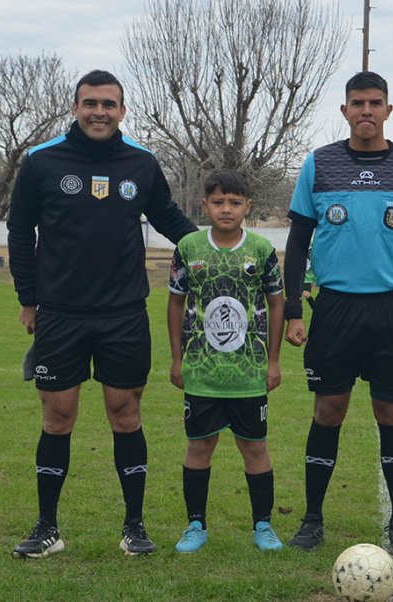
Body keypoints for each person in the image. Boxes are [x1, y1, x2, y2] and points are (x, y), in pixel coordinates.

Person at [7, 69, 197, 558]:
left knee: (125, 414)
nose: (99, 112)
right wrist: (29, 300)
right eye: (90, 103)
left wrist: (213, 245)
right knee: (57, 416)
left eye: (109, 104)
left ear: (122, 110)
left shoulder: (142, 163)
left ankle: (134, 527)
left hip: (124, 314)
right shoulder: (41, 162)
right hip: (61, 314)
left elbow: (169, 218)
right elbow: (19, 232)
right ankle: (47, 527)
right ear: (74, 107)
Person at [283, 71, 393, 556]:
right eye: (358, 103)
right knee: (328, 411)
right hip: (332, 309)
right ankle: (312, 519)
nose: (367, 111)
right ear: (345, 110)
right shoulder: (319, 164)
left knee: (391, 411)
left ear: (389, 110)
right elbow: (296, 243)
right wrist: (294, 309)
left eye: (376, 103)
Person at [167, 171, 285, 554]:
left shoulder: (262, 251)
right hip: (202, 371)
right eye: (218, 202)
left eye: (234, 202)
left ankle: (263, 526)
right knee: (199, 447)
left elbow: (276, 303)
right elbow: (175, 302)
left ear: (247, 207)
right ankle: (195, 525)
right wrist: (176, 358)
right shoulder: (188, 247)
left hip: (248, 372)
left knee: (255, 448)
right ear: (204, 206)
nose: (226, 209)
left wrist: (273, 362)